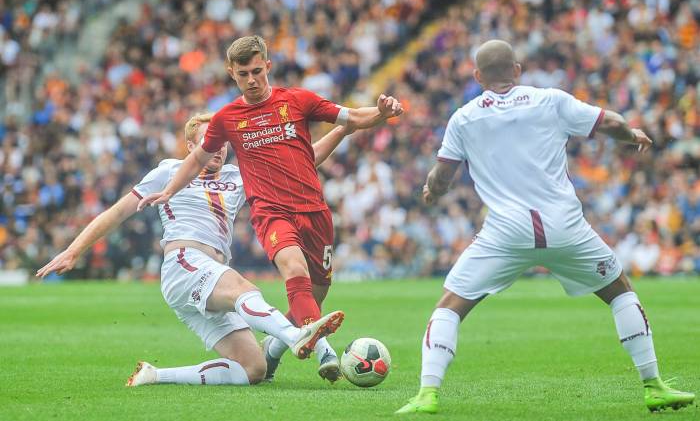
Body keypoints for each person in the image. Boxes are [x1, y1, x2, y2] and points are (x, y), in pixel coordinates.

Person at [396, 40, 695, 414]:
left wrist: (430, 191)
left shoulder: (464, 117)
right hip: (566, 226)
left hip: (505, 232)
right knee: (619, 291)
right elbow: (612, 123)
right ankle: (654, 386)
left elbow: (442, 176)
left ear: (477, 77)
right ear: (517, 70)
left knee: (450, 306)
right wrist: (631, 135)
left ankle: (427, 394)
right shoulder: (550, 100)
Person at [138, 35, 404, 382]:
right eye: (243, 74)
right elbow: (198, 159)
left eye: (256, 71)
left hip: (314, 211)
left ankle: (276, 348)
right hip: (271, 212)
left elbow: (351, 116)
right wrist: (170, 190)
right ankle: (323, 351)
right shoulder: (226, 119)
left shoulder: (297, 100)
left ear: (268, 66)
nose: (251, 80)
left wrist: (382, 113)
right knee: (294, 268)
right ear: (232, 73)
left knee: (314, 295)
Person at [36, 112, 354, 387]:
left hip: (208, 277)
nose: (218, 147)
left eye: (223, 141)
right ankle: (295, 335)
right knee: (244, 289)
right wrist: (74, 250)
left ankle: (155, 375)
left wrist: (343, 129)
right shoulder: (169, 171)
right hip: (184, 263)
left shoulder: (239, 174)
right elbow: (118, 211)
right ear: (191, 147)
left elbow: (301, 161)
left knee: (253, 369)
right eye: (209, 141)